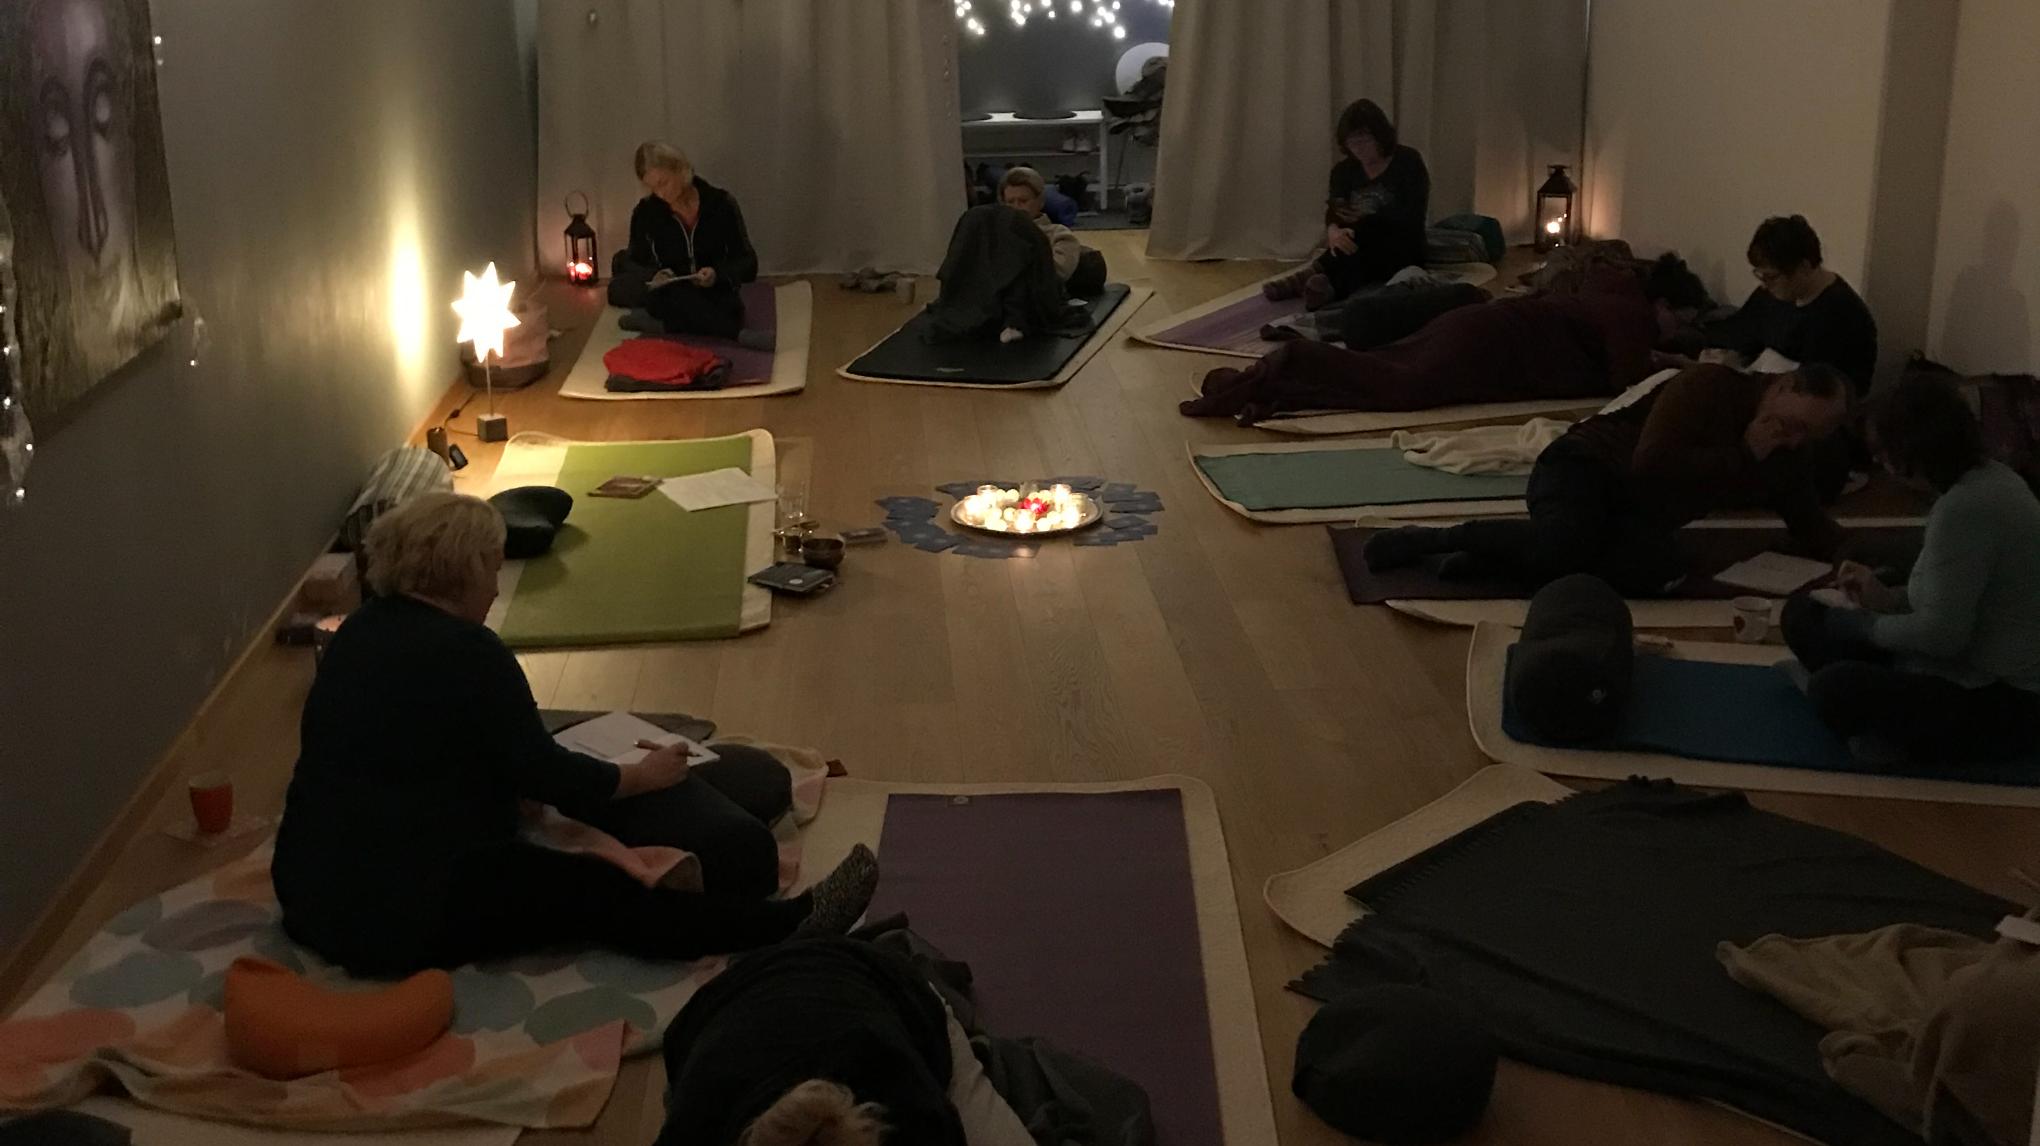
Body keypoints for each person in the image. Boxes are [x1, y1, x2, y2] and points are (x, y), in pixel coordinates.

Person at [272, 493, 878, 977]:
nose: (497, 587)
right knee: (593, 889)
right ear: (464, 569)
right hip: (397, 920)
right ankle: (784, 928)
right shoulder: (472, 653)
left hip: (305, 888)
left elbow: (411, 748)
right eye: (494, 568)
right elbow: (553, 778)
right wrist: (643, 776)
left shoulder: (357, 632)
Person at [1364, 364, 1854, 595]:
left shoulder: (1790, 447)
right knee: (1567, 543)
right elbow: (1652, 464)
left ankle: (1492, 559)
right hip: (1583, 469)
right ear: (1783, 386)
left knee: (1659, 571)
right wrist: (1743, 455)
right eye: (1793, 425)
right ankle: (1434, 540)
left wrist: (1854, 562)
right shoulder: (1708, 387)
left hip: (1636, 513)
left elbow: (1805, 517)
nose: (1795, 440)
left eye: (1808, 436)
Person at [1781, 377, 2040, 766]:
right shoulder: (1988, 480)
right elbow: (1947, 597)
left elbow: (1942, 636)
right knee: (1802, 614)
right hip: (1954, 663)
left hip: (2004, 697)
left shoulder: (1967, 507)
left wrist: (1865, 626)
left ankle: (1880, 736)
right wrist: (1884, 598)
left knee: (1833, 688)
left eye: (1883, 452)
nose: (1880, 463)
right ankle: (1874, 724)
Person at [1186, 255, 1710, 426]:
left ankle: (1267, 384)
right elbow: (1625, 381)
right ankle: (1288, 361)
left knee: (1382, 371)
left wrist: (1662, 354)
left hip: (1481, 329)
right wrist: (1679, 370)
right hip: (1491, 348)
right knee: (1399, 386)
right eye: (1678, 320)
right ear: (1662, 303)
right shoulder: (1630, 313)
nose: (1675, 330)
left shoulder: (1609, 288)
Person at [654, 936, 975, 1146]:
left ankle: (809, 930)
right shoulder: (699, 1118)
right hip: (731, 994)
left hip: (871, 975)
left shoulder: (911, 1106)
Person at [1265, 99, 1430, 311]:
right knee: (1350, 248)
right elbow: (1335, 210)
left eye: (1364, 140)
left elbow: (1412, 214)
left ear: (1380, 136)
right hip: (1355, 247)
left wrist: (1362, 225)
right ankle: (1327, 290)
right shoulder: (1343, 171)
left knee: (1364, 232)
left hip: (1400, 244)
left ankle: (1315, 275)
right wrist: (1333, 231)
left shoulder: (1407, 161)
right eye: (1352, 142)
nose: (1359, 148)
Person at [1703, 215, 1878, 395]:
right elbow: (1741, 331)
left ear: (1804, 267)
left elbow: (1823, 392)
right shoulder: (1772, 295)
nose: (1764, 285)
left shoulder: (1844, 316)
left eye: (1771, 277)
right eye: (1760, 275)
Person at [627, 142, 761, 342]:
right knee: (673, 298)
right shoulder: (646, 212)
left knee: (723, 307)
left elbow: (748, 263)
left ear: (679, 169)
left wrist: (717, 274)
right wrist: (654, 275)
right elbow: (632, 262)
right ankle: (736, 335)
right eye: (653, 188)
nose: (661, 194)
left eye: (663, 183)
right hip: (671, 294)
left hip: (714, 291)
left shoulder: (721, 204)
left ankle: (663, 326)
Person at [999, 166, 1107, 297]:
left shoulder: (1059, 235)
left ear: (1040, 202)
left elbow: (1055, 275)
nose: (1017, 208)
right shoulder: (993, 234)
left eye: (1023, 201)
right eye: (1010, 202)